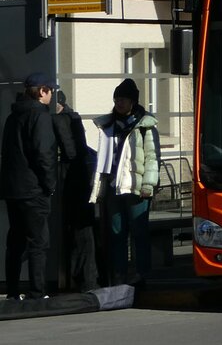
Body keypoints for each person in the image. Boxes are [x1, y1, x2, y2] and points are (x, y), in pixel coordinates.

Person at [89, 78, 160, 286]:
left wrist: (148, 184)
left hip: (137, 188)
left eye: (123, 99)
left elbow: (153, 158)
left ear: (133, 101)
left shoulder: (145, 126)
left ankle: (141, 273)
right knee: (117, 233)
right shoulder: (108, 125)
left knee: (139, 233)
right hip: (114, 188)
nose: (119, 103)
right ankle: (119, 275)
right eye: (117, 99)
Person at [1, 72, 58, 300]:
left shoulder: (13, 116)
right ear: (42, 91)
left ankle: (13, 291)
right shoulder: (40, 116)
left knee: (15, 241)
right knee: (38, 241)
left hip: (13, 189)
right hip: (34, 189)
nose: (52, 95)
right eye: (50, 90)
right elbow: (43, 153)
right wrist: (50, 184)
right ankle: (37, 291)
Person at [52, 90, 99, 292]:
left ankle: (82, 279)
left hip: (72, 181)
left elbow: (70, 151)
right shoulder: (73, 117)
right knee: (83, 234)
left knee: (78, 233)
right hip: (81, 180)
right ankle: (85, 279)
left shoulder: (62, 119)